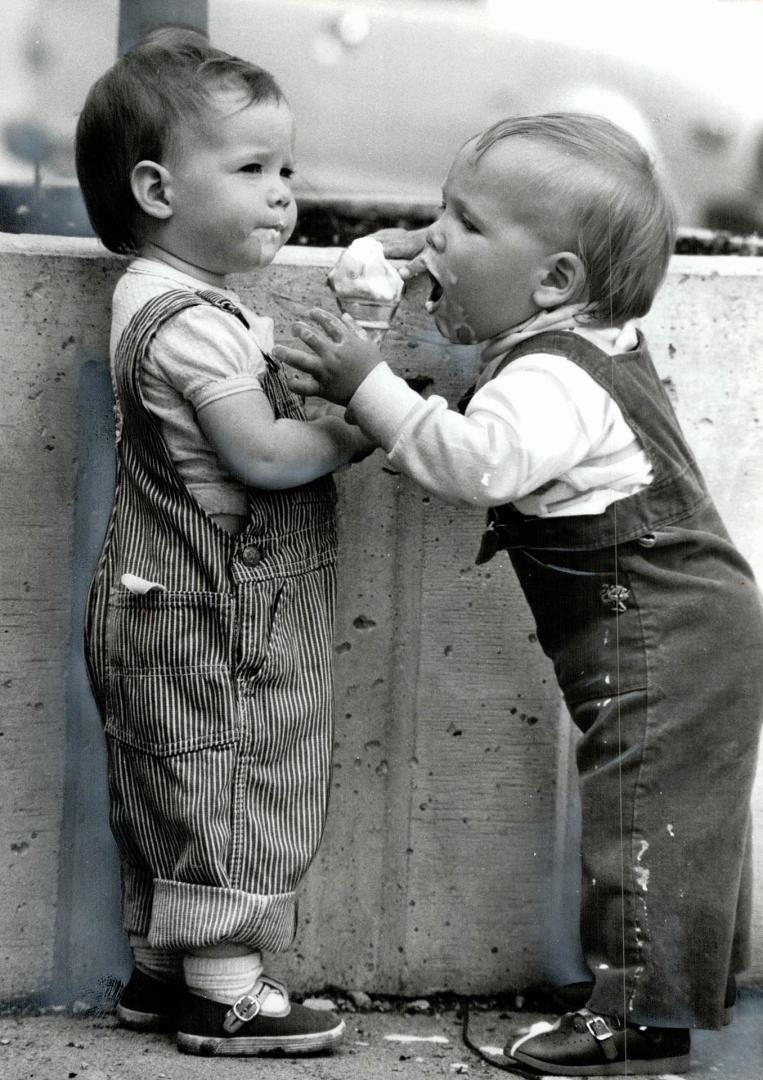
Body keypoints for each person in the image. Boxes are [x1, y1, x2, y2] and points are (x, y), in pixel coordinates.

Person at [275, 112, 763, 1076]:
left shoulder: (551, 380)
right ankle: (658, 1004)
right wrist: (414, 255)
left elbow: (479, 463)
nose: (434, 238)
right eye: (438, 213)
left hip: (666, 634)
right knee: (670, 820)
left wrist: (367, 382)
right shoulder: (571, 344)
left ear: (553, 283)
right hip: (678, 627)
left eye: (464, 222)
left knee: (643, 819)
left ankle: (636, 1023)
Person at [75, 28, 371, 1057]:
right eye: (252, 169)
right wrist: (359, 420)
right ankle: (224, 991)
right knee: (238, 784)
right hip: (218, 617)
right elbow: (262, 458)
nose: (282, 193)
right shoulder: (193, 323)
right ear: (157, 189)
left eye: (284, 168)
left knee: (173, 779)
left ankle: (160, 976)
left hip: (163, 601)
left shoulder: (166, 300)